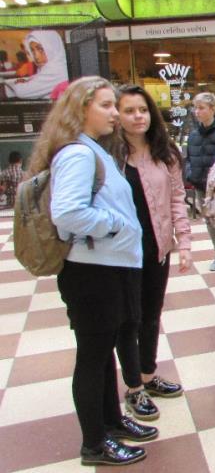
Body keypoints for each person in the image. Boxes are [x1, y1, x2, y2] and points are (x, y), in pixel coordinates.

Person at [31, 76, 155, 466]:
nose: (115, 113)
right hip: (93, 273)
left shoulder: (92, 149)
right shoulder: (78, 154)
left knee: (104, 356)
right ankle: (94, 443)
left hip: (108, 267)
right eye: (106, 105)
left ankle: (112, 423)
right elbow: (67, 212)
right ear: (81, 108)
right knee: (93, 357)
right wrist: (114, 226)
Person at [113, 85, 192, 421]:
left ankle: (147, 374)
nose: (138, 116)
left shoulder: (165, 152)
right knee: (128, 321)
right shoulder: (109, 156)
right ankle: (133, 388)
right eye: (129, 111)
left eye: (142, 110)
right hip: (121, 254)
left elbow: (177, 199)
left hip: (157, 248)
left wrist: (184, 243)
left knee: (150, 316)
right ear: (117, 115)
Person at [185, 92, 215, 272]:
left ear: (212, 109)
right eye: (195, 108)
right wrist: (190, 174)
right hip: (201, 185)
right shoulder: (194, 135)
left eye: (201, 108)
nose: (197, 112)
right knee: (210, 221)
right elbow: (188, 158)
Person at [4, 30, 69, 99]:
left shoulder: (57, 69)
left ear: (52, 48)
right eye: (32, 51)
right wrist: (27, 82)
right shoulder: (55, 66)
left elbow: (22, 92)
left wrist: (19, 84)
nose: (36, 56)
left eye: (40, 49)